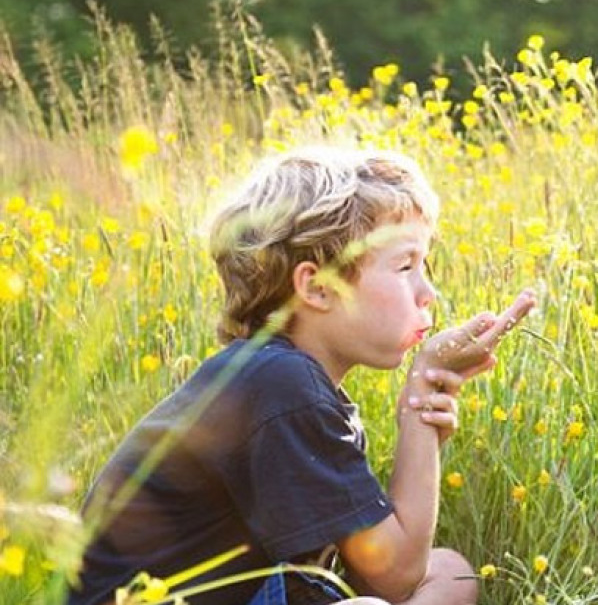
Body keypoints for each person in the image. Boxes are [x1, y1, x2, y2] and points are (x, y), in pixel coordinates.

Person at [69, 147, 536, 605]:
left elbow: (380, 573)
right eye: (405, 266)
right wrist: (424, 389)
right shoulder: (282, 386)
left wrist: (426, 404)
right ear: (317, 287)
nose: (427, 292)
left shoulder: (278, 379)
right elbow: (392, 578)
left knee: (450, 571)